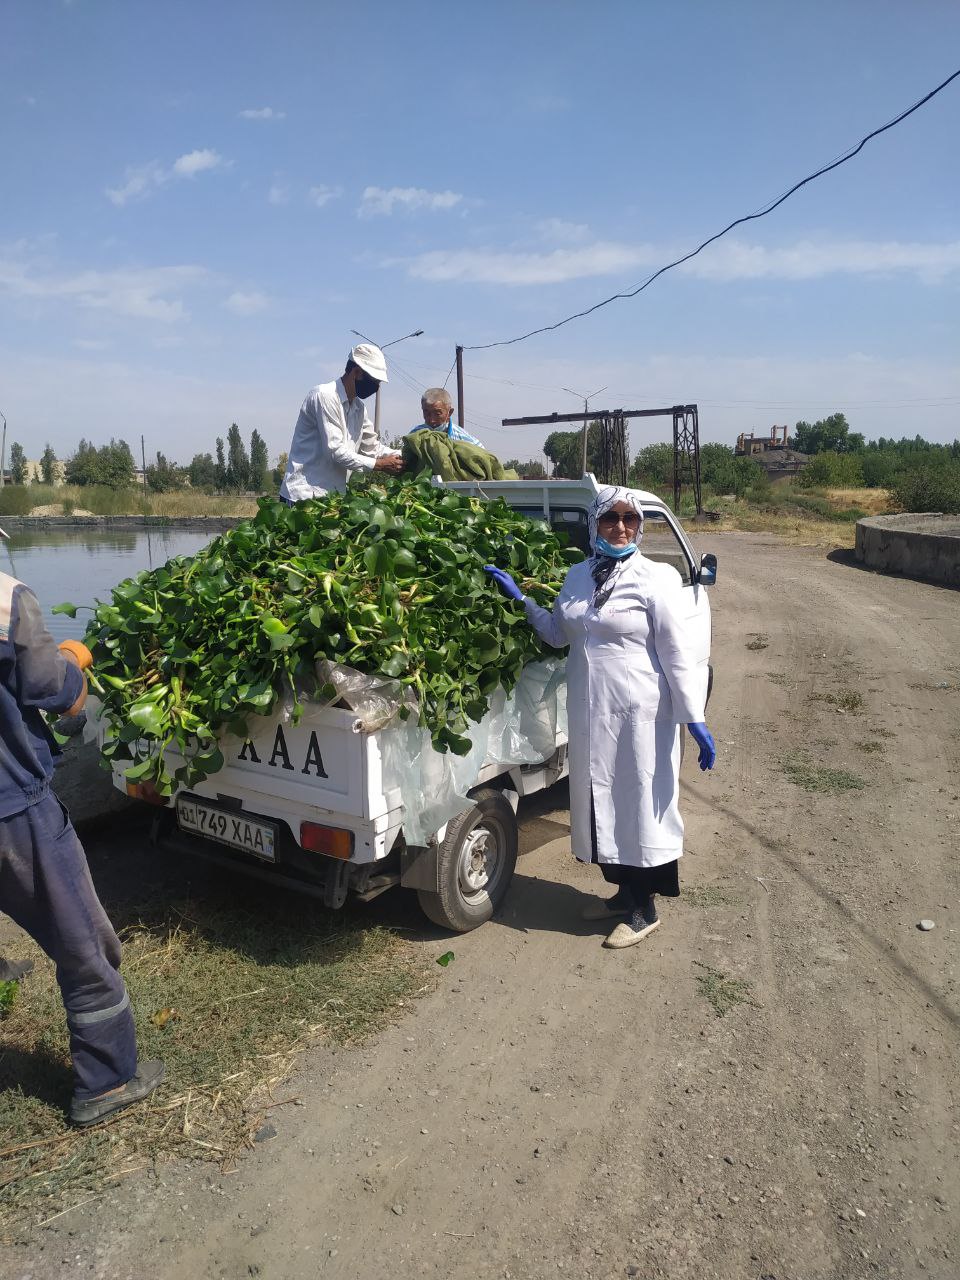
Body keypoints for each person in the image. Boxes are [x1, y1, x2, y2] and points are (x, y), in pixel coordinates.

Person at [485, 485, 716, 949]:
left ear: (640, 526)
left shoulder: (658, 578)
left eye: (630, 519)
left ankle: (644, 907)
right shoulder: (578, 576)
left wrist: (693, 717)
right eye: (611, 519)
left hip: (641, 715)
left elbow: (678, 651)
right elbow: (556, 634)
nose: (621, 527)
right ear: (595, 524)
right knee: (601, 799)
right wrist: (520, 600)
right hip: (591, 711)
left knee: (640, 802)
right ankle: (620, 893)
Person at [0, 536, 163, 1125]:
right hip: (11, 810)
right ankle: (107, 1080)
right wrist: (74, 660)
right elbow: (56, 693)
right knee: (84, 945)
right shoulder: (6, 599)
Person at [279, 343, 405, 501]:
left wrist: (404, 455)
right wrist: (380, 465)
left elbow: (371, 448)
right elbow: (335, 452)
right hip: (303, 496)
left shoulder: (359, 408)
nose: (376, 388)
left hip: (332, 497)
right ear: (357, 372)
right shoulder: (325, 396)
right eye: (374, 382)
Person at [407, 387, 484, 449]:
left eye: (437, 414)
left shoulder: (464, 440)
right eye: (426, 413)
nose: (431, 420)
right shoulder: (415, 435)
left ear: (449, 412)